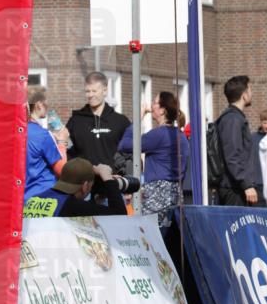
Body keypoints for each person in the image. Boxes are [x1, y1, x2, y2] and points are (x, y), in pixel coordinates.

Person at [118, 91, 191, 222]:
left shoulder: (158, 135)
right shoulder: (181, 137)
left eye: (154, 102)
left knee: (151, 233)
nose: (151, 105)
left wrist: (139, 116)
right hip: (176, 195)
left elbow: (125, 145)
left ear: (162, 110)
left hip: (156, 197)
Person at [23, 158, 129, 218]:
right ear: (85, 186)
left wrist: (98, 201)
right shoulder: (71, 206)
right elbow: (119, 216)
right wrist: (107, 177)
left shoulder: (33, 200)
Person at [66, 72, 130, 169]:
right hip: (85, 177)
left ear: (105, 91)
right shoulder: (76, 120)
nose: (90, 95)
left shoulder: (120, 121)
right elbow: (66, 149)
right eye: (87, 91)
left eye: (94, 91)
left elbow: (130, 152)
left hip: (113, 177)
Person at [216, 76, 261, 206]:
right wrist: (246, 185)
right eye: (250, 90)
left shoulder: (235, 118)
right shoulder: (232, 119)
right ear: (244, 95)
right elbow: (232, 155)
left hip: (238, 187)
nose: (252, 93)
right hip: (234, 189)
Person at [24, 87, 69, 202]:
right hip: (44, 196)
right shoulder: (43, 135)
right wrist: (62, 142)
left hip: (23, 198)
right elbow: (62, 170)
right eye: (46, 101)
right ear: (39, 104)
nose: (48, 106)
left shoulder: (16, 132)